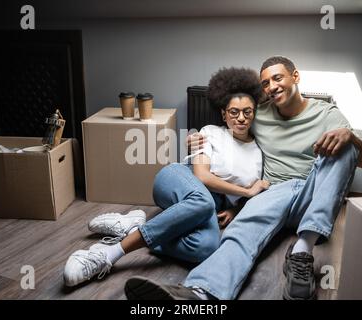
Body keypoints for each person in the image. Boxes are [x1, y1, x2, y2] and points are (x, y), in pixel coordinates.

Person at [123, 56, 362, 300]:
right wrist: (195, 141)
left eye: (278, 78)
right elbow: (231, 127)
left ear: (295, 76)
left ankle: (302, 251)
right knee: (240, 234)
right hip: (271, 193)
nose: (272, 87)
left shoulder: (327, 113)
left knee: (346, 144)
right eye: (265, 83)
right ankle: (201, 292)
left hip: (313, 193)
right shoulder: (259, 113)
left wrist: (350, 136)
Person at [63, 67, 269, 287]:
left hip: (209, 205)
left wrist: (233, 209)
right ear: (223, 114)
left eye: (247, 112)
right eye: (234, 112)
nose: (241, 118)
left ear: (254, 113)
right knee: (203, 200)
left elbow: (245, 195)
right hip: (179, 178)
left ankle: (135, 228)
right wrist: (246, 191)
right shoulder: (210, 132)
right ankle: (108, 254)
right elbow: (202, 176)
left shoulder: (258, 153)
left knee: (206, 248)